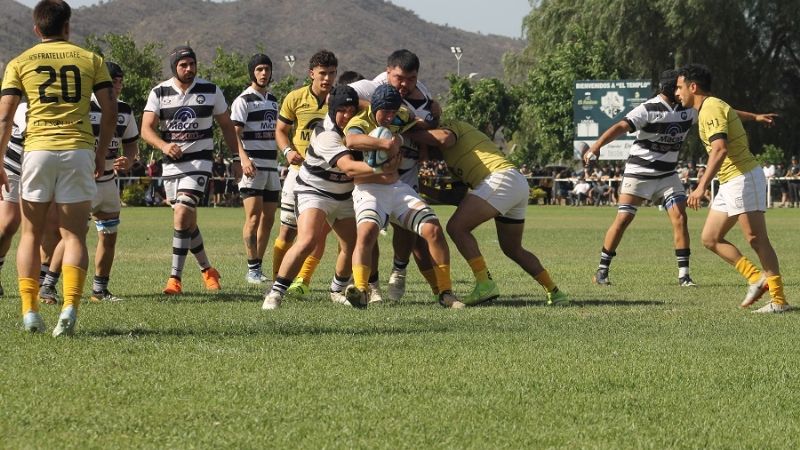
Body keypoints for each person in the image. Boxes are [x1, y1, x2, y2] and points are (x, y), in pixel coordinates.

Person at [0, 0, 117, 335]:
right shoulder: (91, 59)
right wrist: (100, 153)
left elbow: (5, 117)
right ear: (68, 25)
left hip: (36, 151)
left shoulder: (20, 62)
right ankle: (69, 308)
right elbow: (110, 111)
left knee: (31, 234)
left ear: (37, 29)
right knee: (74, 234)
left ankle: (29, 311)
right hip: (78, 151)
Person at [410, 120, 569, 306]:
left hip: (499, 178)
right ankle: (555, 292)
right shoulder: (451, 158)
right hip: (514, 182)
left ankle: (485, 283)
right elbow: (457, 197)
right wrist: (422, 188)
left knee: (456, 227)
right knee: (512, 248)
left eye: (422, 147)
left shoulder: (450, 126)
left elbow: (444, 138)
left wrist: (406, 135)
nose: (423, 156)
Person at [675, 63, 788, 313]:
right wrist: (756, 117)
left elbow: (720, 149)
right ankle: (757, 278)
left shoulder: (710, 108)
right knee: (710, 238)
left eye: (679, 87)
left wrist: (700, 186)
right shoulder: (711, 106)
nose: (677, 92)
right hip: (730, 181)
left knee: (756, 239)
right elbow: (732, 112)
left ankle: (779, 300)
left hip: (742, 177)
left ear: (693, 87)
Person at [342, 84, 463, 309]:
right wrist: (387, 143)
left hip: (397, 187)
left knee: (433, 229)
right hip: (369, 189)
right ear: (374, 107)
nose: (389, 116)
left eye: (393, 111)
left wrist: (435, 112)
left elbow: (420, 123)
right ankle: (360, 290)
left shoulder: (401, 115)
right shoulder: (360, 121)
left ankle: (446, 293)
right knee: (367, 233)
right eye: (384, 112)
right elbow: (351, 141)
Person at [141, 45, 241, 295]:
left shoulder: (210, 90)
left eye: (192, 64)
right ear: (174, 67)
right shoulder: (159, 92)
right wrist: (164, 145)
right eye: (183, 65)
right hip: (171, 166)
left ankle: (174, 278)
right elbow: (146, 129)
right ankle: (208, 270)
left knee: (183, 211)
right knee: (186, 221)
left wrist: (238, 157)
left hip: (200, 162)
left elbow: (228, 126)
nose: (189, 69)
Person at [584, 70, 697, 287]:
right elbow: (620, 126)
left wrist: (754, 117)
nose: (682, 91)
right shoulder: (648, 109)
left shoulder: (689, 110)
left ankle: (684, 275)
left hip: (667, 175)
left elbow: (719, 113)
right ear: (669, 89)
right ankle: (602, 270)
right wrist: (596, 146)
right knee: (623, 219)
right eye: (679, 87)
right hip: (639, 172)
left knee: (680, 217)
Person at [349, 49, 443, 302]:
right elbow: (343, 98)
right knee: (368, 230)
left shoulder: (422, 92)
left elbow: (428, 120)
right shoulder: (371, 87)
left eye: (410, 79)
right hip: (371, 176)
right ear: (388, 71)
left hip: (405, 172)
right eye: (399, 78)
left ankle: (400, 272)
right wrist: (384, 109)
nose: (405, 85)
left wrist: (408, 128)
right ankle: (370, 284)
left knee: (409, 230)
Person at [262, 86, 367, 309]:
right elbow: (349, 167)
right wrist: (384, 169)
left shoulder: (358, 125)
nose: (347, 115)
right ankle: (275, 293)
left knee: (352, 243)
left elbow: (374, 107)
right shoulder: (325, 134)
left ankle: (337, 290)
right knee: (308, 240)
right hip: (314, 192)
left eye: (351, 110)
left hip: (343, 195)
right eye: (342, 110)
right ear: (332, 109)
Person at [273, 50, 339, 298]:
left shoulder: (339, 100)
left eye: (332, 73)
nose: (327, 79)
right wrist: (288, 151)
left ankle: (302, 280)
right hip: (298, 172)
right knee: (288, 232)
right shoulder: (295, 98)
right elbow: (280, 130)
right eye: (322, 73)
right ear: (312, 73)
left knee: (319, 232)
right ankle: (277, 278)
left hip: (328, 176)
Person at [88, 61, 139, 302]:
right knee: (71, 236)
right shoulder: (82, 106)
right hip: (82, 181)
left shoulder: (125, 110)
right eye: (113, 80)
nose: (118, 84)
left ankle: (100, 290)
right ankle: (50, 285)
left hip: (108, 182)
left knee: (109, 235)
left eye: (121, 80)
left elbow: (131, 144)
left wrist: (128, 160)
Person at [230, 54, 281, 284]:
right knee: (253, 219)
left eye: (267, 69)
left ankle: (258, 267)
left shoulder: (274, 100)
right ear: (252, 72)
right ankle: (252, 269)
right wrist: (244, 160)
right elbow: (234, 134)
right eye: (259, 69)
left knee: (269, 219)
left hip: (272, 167)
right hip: (253, 168)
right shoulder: (243, 100)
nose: (263, 73)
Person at [0, 101, 27, 298]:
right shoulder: (21, 107)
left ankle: (45, 283)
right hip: (13, 166)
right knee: (9, 224)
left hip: (43, 168)